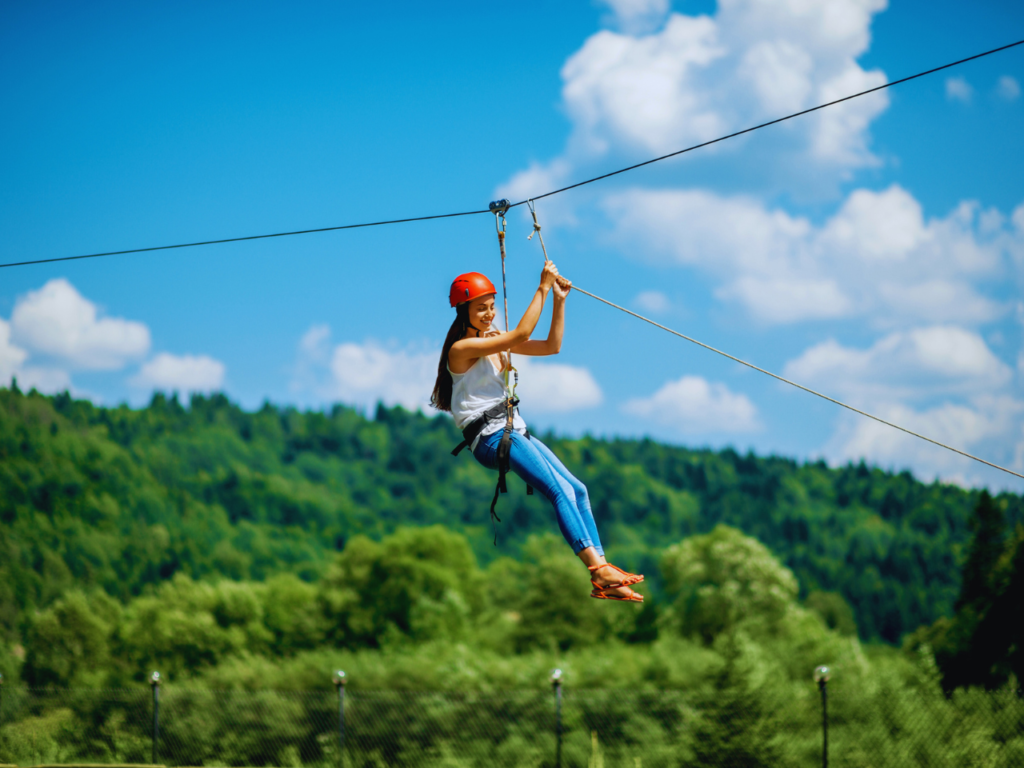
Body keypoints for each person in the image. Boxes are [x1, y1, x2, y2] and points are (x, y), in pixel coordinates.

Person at [431, 261, 643, 602]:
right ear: (463, 312)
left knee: (578, 490)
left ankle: (604, 572)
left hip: (512, 430)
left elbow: (550, 346)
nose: (488, 314)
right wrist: (542, 287)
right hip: (491, 437)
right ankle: (596, 569)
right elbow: (521, 336)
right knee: (558, 491)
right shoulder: (461, 350)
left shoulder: (493, 340)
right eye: (480, 309)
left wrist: (558, 300)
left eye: (490, 307)